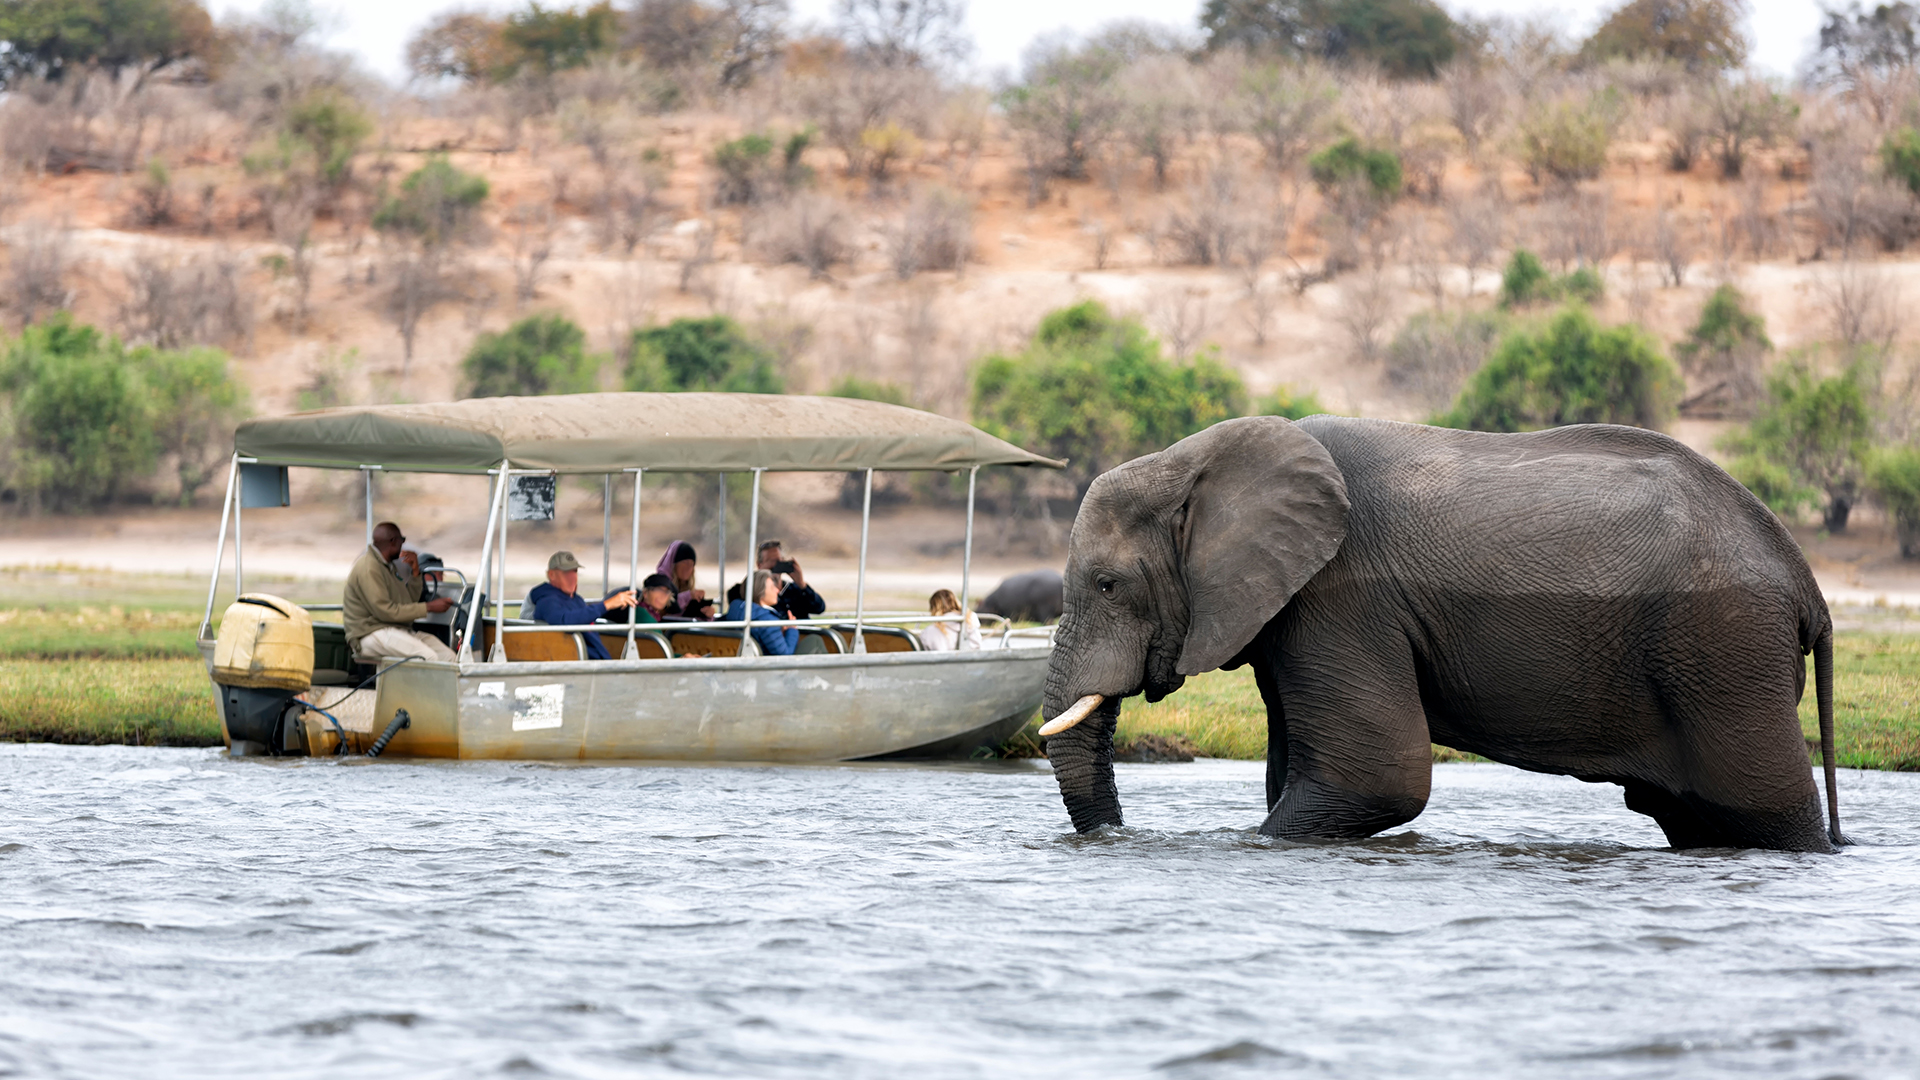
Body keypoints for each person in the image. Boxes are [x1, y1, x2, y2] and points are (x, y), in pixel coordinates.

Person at [344, 521, 457, 662]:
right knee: (427, 657)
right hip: (369, 633)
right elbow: (386, 612)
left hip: (396, 629)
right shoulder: (369, 567)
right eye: (401, 541)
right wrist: (429, 607)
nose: (403, 545)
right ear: (393, 542)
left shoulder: (388, 567)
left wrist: (416, 572)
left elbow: (408, 602)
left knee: (448, 657)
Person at [527, 551, 638, 660]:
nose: (572, 577)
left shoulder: (577, 600)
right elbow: (565, 621)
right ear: (551, 575)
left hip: (596, 663)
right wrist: (606, 605)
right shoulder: (547, 601)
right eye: (566, 573)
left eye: (574, 571)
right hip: (580, 665)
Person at [722, 569, 799, 656]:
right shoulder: (766, 620)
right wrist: (792, 629)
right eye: (772, 587)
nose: (777, 590)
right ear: (761, 592)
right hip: (766, 665)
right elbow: (784, 654)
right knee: (813, 642)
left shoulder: (736, 609)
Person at [756, 539, 825, 621]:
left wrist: (801, 584)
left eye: (778, 561)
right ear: (759, 565)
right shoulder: (756, 593)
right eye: (770, 561)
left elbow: (819, 608)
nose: (775, 565)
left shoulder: (794, 589)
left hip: (805, 632)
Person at [655, 540, 714, 620]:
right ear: (673, 564)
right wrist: (688, 596)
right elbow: (664, 606)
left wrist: (707, 615)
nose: (688, 567)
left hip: (684, 631)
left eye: (692, 564)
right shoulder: (659, 583)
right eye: (685, 562)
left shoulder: (689, 590)